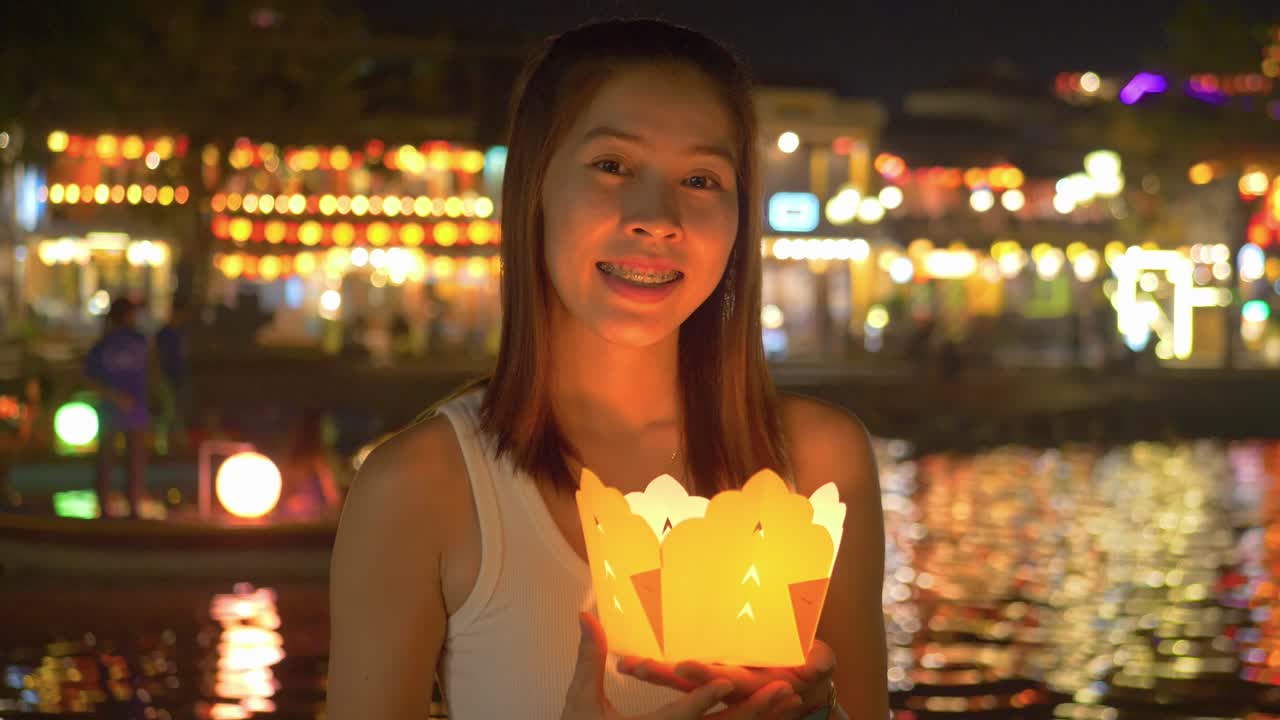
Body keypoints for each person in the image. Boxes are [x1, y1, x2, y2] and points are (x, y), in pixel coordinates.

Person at [328, 19, 886, 720]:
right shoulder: (423, 488)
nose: (656, 217)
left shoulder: (819, 465)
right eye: (613, 166)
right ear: (536, 185)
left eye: (700, 178)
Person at [84, 298, 150, 519]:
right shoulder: (125, 343)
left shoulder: (113, 343)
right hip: (120, 408)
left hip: (125, 408)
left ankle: (119, 506)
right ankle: (125, 507)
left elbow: (89, 377)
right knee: (122, 460)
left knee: (114, 460)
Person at [154, 299, 192, 453]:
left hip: (179, 376)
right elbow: (157, 357)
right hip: (166, 377)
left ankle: (178, 442)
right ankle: (162, 443)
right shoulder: (165, 333)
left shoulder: (181, 332)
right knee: (168, 410)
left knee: (178, 409)